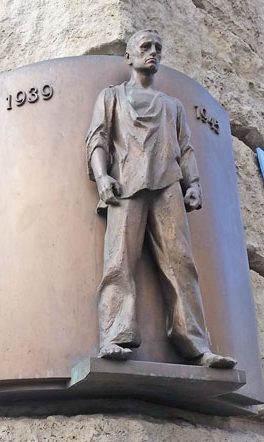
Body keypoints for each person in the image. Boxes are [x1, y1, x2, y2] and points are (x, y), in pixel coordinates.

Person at [85, 29, 236, 368]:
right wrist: (101, 176)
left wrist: (193, 183)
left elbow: (185, 148)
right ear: (129, 56)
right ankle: (113, 335)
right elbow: (98, 139)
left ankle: (196, 345)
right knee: (119, 261)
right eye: (145, 47)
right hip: (125, 186)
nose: (152, 52)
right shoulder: (111, 97)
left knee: (181, 263)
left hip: (168, 186)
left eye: (157, 47)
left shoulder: (172, 105)